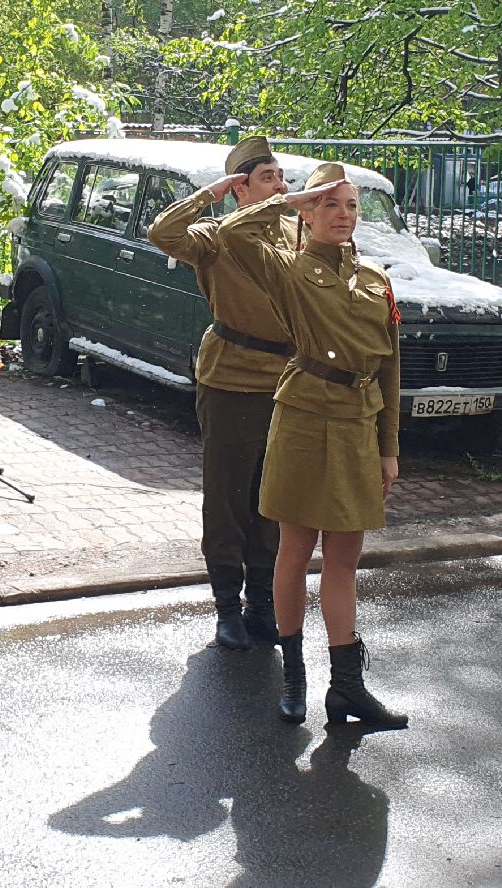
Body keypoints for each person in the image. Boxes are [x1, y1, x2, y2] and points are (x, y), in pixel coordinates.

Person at [213, 162, 409, 729]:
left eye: (350, 205)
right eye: (330, 204)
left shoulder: (375, 277)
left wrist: (388, 446)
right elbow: (230, 233)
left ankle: (346, 688)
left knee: (344, 559)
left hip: (357, 425)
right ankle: (294, 678)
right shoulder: (289, 271)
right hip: (303, 421)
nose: (344, 214)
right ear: (308, 212)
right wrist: (295, 197)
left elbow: (390, 369)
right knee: (294, 554)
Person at [146, 136, 292, 650]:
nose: (280, 185)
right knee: (229, 496)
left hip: (288, 384)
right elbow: (162, 231)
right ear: (240, 188)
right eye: (267, 178)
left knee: (272, 499)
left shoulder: (293, 233)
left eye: (281, 177)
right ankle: (226, 607)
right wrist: (209, 194)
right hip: (232, 378)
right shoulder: (215, 235)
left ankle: (263, 603)